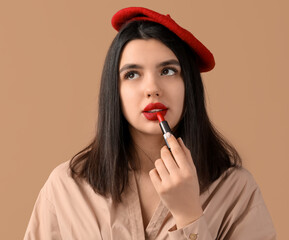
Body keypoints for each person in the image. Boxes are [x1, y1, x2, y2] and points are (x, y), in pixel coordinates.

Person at [24, 7, 276, 239]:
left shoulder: (237, 190)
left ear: (189, 86)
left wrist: (189, 216)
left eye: (167, 71)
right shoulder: (66, 187)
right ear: (115, 91)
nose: (152, 89)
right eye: (132, 74)